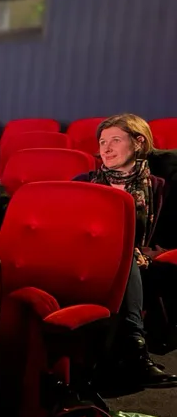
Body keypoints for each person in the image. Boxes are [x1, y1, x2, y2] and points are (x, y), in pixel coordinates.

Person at [73, 114, 174, 387]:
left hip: (136, 263)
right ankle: (130, 353)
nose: (105, 148)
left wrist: (148, 254)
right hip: (84, 259)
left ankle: (135, 352)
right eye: (102, 142)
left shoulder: (161, 187)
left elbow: (171, 238)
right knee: (120, 249)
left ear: (139, 143)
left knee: (124, 251)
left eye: (115, 140)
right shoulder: (82, 182)